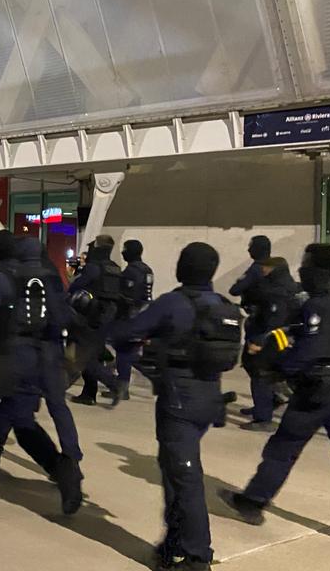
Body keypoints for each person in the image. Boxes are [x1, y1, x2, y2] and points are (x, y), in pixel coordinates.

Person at [109, 242, 242, 570]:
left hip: (179, 401)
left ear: (183, 267)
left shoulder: (173, 303)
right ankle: (172, 545)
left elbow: (128, 332)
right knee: (174, 468)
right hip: (210, 399)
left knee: (185, 477)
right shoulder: (223, 304)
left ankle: (197, 557)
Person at [222, 243, 330, 530]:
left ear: (317, 271)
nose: (301, 270)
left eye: (306, 265)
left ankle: (253, 501)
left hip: (317, 390)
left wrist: (278, 371)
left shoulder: (317, 305)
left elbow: (308, 350)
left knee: (283, 448)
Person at [0, 231, 81, 514]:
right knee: (23, 421)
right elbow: (57, 317)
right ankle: (60, 468)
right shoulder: (36, 277)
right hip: (32, 357)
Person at [0, 239, 84, 479]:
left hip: (21, 351)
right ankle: (72, 457)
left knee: (12, 404)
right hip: (51, 351)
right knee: (58, 406)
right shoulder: (51, 275)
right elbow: (62, 314)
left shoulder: (13, 274)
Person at [230, 237, 298, 429]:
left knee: (260, 370)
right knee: (260, 369)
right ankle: (268, 402)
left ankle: (263, 415)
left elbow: (236, 290)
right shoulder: (288, 285)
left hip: (267, 333)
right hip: (280, 334)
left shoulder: (270, 286)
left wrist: (259, 340)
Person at [69, 234, 126, 406]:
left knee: (83, 357)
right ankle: (89, 393)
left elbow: (75, 286)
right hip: (107, 317)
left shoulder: (94, 268)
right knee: (93, 354)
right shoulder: (114, 268)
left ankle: (114, 384)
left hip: (91, 316)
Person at [112, 239, 156, 400]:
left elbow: (128, 296)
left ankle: (122, 388)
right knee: (129, 351)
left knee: (124, 352)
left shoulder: (132, 271)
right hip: (143, 314)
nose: (123, 253)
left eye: (125, 250)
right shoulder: (147, 270)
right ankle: (123, 386)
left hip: (130, 315)